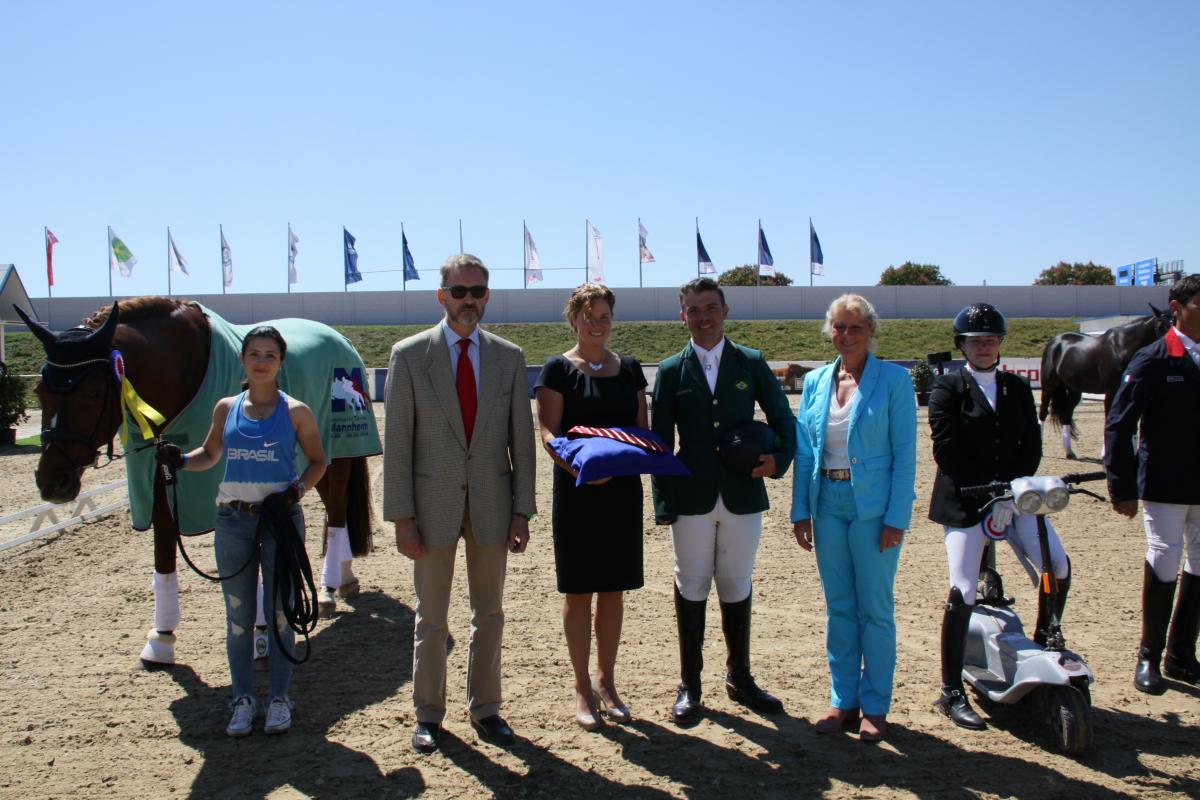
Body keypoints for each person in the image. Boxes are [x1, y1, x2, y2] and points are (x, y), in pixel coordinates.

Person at [383, 253, 537, 753]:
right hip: (430, 512)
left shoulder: (509, 357)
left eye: (477, 291)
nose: (468, 300)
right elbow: (398, 447)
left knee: (489, 613)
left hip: (494, 508)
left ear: (487, 295)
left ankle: (486, 709)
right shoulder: (408, 356)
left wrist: (522, 510)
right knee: (431, 618)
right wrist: (402, 519)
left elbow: (523, 442)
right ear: (441, 295)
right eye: (459, 291)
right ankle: (428, 714)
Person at [156, 326, 327, 737]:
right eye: (255, 354)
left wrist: (295, 492)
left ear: (280, 362)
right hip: (233, 521)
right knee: (238, 617)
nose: (262, 361)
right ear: (243, 360)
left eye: (270, 355)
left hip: (280, 522)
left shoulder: (296, 412)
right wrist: (178, 461)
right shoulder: (226, 407)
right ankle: (243, 699)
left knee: (282, 613)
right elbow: (210, 454)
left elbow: (319, 461)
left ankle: (280, 698)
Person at [651, 277, 796, 726]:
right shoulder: (671, 370)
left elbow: (783, 420)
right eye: (693, 310)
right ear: (683, 316)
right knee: (691, 583)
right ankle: (690, 684)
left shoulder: (750, 362)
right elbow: (659, 443)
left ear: (725, 310)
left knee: (736, 581)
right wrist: (663, 504)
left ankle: (740, 677)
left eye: (710, 307)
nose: (703, 317)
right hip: (692, 494)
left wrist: (779, 458)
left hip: (742, 492)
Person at [926, 303, 1068, 729]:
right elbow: (946, 449)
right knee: (964, 588)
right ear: (963, 346)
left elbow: (1030, 444)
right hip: (966, 502)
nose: (985, 347)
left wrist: (1013, 489)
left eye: (991, 340)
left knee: (1056, 565)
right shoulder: (948, 388)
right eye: (976, 341)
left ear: (1000, 344)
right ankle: (950, 690)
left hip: (1015, 497)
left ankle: (1046, 637)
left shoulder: (1017, 389)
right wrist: (990, 489)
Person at [790, 294, 916, 743]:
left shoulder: (895, 381)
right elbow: (805, 451)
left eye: (855, 328)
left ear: (871, 332)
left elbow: (906, 456)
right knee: (839, 608)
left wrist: (896, 518)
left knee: (875, 611)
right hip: (827, 505)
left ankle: (876, 706)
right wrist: (800, 509)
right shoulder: (818, 381)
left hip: (874, 510)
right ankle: (843, 700)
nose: (845, 336)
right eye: (839, 327)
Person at [535, 284, 648, 730]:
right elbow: (547, 432)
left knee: (614, 590)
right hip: (578, 492)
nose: (597, 325)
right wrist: (580, 467)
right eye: (588, 317)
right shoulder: (558, 370)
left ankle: (607, 679)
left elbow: (642, 429)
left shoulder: (631, 370)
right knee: (579, 591)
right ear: (574, 320)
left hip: (622, 493)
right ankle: (581, 684)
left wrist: (636, 457)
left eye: (604, 316)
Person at [1105, 273, 1200, 693]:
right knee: (1165, 558)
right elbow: (1119, 425)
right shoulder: (1153, 358)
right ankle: (1149, 655)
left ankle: (1182, 655)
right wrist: (1121, 485)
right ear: (1177, 307)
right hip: (1165, 481)